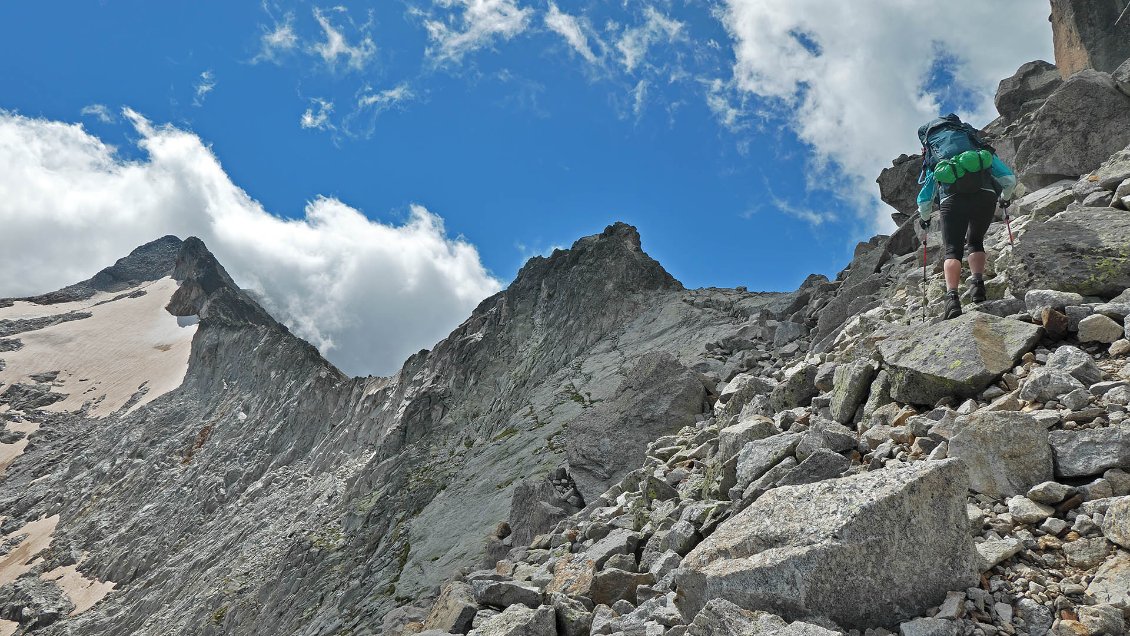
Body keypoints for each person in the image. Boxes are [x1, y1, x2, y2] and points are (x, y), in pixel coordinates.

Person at [916, 115, 1017, 320]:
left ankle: (952, 299)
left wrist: (925, 219)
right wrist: (1004, 199)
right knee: (976, 241)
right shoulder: (973, 144)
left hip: (952, 201)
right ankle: (978, 287)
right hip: (985, 196)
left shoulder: (935, 155)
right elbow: (1008, 179)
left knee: (952, 250)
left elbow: (925, 198)